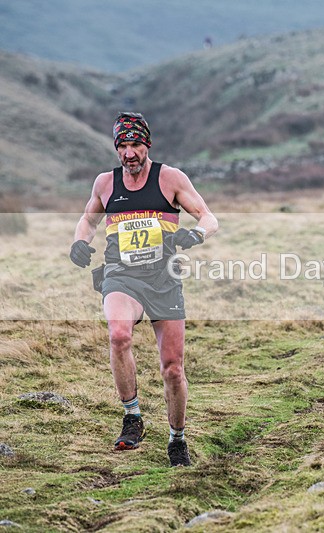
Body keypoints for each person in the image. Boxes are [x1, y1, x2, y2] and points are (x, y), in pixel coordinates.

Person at [70, 112, 218, 467]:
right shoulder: (106, 183)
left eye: (135, 144)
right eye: (122, 146)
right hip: (122, 275)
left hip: (164, 280)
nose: (129, 153)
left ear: (147, 145)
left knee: (172, 369)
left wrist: (195, 234)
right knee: (119, 335)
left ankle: (177, 438)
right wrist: (79, 241)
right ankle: (132, 416)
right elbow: (89, 218)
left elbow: (208, 217)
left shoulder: (170, 179)